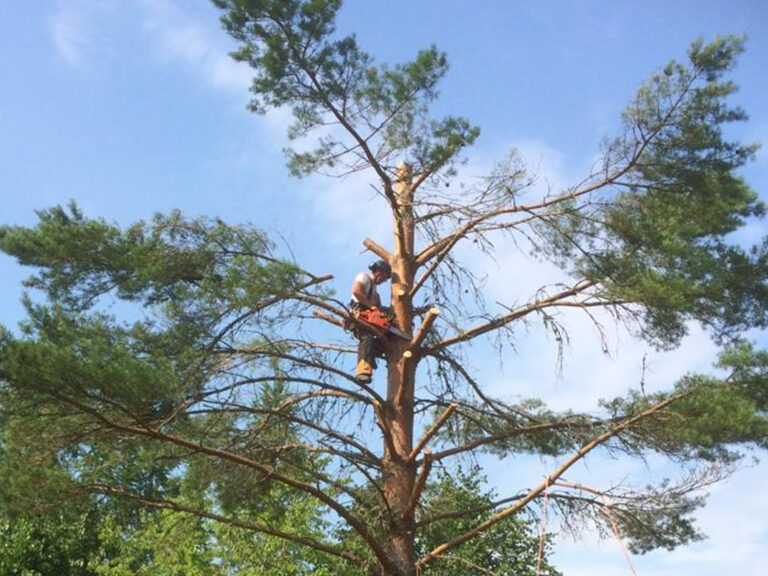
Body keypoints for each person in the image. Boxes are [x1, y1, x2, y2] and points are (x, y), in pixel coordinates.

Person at [350, 259, 392, 382]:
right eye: (385, 276)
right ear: (379, 271)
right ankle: (363, 371)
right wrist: (371, 306)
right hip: (359, 313)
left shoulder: (375, 294)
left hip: (370, 316)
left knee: (386, 338)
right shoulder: (364, 277)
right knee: (366, 338)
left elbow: (379, 309)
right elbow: (356, 291)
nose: (384, 280)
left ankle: (371, 354)